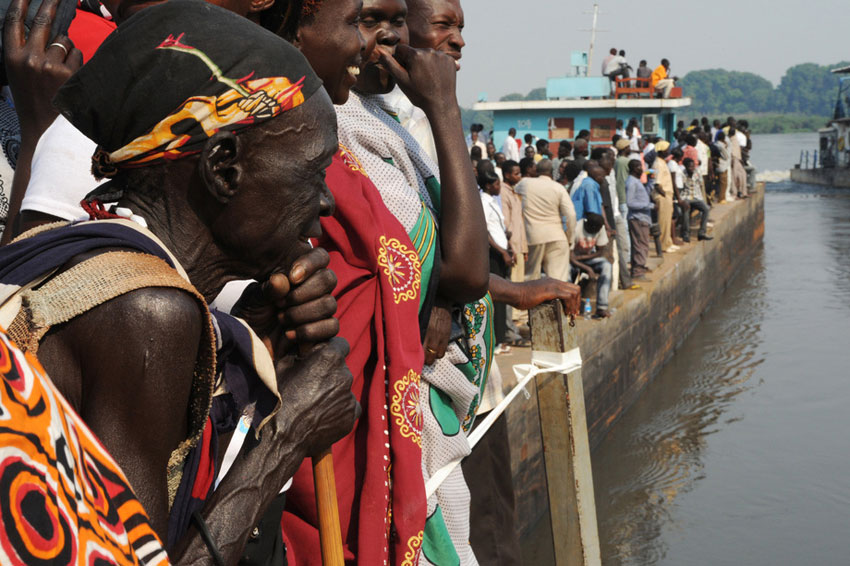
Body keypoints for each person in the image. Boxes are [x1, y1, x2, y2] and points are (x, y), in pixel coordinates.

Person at [0, 3, 361, 564]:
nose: (324, 200)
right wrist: (288, 436)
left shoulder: (92, 260)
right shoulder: (148, 311)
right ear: (223, 168)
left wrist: (255, 337)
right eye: (310, 173)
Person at [335, 0, 496, 561]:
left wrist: (450, 301)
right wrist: (445, 110)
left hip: (431, 397)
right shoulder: (339, 121)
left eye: (396, 22)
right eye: (365, 20)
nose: (382, 38)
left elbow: (439, 260)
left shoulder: (380, 113)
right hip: (386, 404)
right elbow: (463, 269)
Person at [523, 158, 575, 281]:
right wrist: (570, 238)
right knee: (558, 280)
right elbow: (571, 214)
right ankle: (556, 300)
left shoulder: (524, 184)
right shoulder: (558, 188)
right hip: (557, 236)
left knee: (531, 279)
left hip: (533, 236)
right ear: (552, 171)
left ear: (536, 170)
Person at [479, 161, 512, 353]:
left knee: (502, 297)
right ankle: (497, 340)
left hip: (502, 252)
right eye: (497, 184)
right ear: (489, 186)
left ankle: (500, 338)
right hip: (493, 255)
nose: (499, 187)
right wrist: (502, 252)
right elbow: (484, 231)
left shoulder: (492, 201)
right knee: (497, 297)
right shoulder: (483, 202)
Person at [570, 212, 612, 318]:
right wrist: (588, 269)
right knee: (566, 273)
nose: (595, 232)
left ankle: (602, 307)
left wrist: (582, 259)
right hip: (571, 261)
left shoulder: (599, 227)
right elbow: (570, 257)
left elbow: (600, 252)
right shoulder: (577, 228)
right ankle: (569, 308)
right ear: (588, 225)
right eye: (593, 230)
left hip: (586, 258)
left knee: (606, 266)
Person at [500, 159, 527, 286]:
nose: (519, 177)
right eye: (516, 174)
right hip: (513, 247)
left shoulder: (513, 192)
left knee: (520, 282)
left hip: (519, 246)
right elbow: (506, 224)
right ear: (507, 175)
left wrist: (524, 247)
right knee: (515, 285)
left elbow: (519, 223)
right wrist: (511, 249)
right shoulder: (502, 192)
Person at [625, 159, 653, 279]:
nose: (641, 169)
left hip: (643, 217)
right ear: (633, 169)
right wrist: (649, 206)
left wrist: (651, 181)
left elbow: (643, 196)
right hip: (638, 218)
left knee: (641, 244)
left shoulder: (637, 181)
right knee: (640, 245)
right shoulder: (631, 182)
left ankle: (639, 267)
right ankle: (638, 271)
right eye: (638, 167)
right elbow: (630, 203)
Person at [680, 157, 713, 242]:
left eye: (693, 167)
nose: (692, 169)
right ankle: (686, 233)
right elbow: (680, 188)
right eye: (690, 167)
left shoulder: (697, 172)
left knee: (706, 209)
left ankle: (702, 232)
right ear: (686, 167)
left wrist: (703, 198)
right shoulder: (682, 174)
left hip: (697, 196)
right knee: (686, 209)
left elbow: (701, 185)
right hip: (686, 197)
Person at [652, 140, 676, 252]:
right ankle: (662, 245)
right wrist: (665, 195)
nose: (668, 151)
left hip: (667, 195)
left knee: (667, 220)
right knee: (663, 221)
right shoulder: (658, 164)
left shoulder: (663, 162)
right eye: (667, 149)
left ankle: (668, 242)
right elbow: (657, 183)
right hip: (663, 196)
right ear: (662, 151)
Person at [715, 131, 730, 203]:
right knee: (723, 183)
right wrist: (726, 147)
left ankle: (720, 197)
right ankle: (722, 198)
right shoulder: (721, 146)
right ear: (723, 138)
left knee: (719, 183)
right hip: (722, 166)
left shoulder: (716, 144)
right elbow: (727, 156)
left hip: (718, 166)